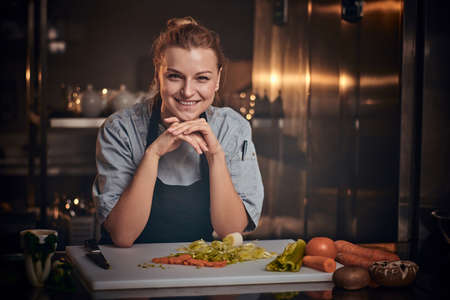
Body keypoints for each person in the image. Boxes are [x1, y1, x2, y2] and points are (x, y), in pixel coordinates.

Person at [92, 17, 264, 247]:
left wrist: (216, 156)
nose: (188, 91)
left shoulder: (231, 128)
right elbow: (123, 236)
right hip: (127, 273)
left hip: (199, 267)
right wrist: (152, 155)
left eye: (202, 78)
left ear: (217, 80)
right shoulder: (120, 130)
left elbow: (230, 230)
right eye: (175, 76)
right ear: (157, 75)